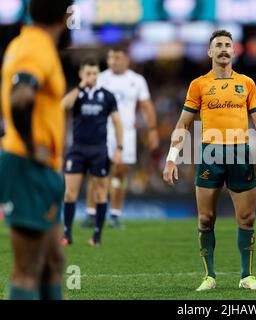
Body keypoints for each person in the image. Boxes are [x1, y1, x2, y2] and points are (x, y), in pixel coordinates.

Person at [163, 30, 256, 291]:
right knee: (205, 218)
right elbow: (183, 123)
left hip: (240, 154)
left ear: (234, 51)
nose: (223, 49)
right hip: (210, 154)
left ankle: (247, 276)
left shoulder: (247, 84)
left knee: (247, 218)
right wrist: (171, 159)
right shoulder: (199, 85)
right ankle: (209, 277)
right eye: (218, 45)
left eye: (228, 45)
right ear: (209, 52)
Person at [0, 0, 72, 299]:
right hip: (28, 165)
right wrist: (32, 147)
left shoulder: (29, 43)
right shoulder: (36, 48)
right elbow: (20, 98)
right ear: (66, 15)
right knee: (28, 270)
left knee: (53, 262)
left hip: (40, 169)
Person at [83, 47, 159, 228]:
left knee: (120, 172)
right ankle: (91, 213)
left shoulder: (136, 80)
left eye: (116, 57)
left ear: (126, 59)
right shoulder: (100, 78)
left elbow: (146, 105)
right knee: (97, 172)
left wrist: (153, 129)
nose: (112, 61)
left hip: (126, 133)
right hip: (102, 131)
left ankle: (115, 214)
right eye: (110, 57)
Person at [62, 57, 123, 246]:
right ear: (81, 74)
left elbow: (117, 122)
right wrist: (80, 87)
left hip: (99, 150)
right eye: (88, 73)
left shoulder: (107, 96)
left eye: (95, 73)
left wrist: (119, 148)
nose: (91, 77)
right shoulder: (76, 94)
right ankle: (67, 234)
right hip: (77, 149)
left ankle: (96, 236)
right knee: (70, 193)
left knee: (100, 193)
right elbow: (63, 106)